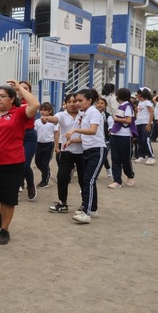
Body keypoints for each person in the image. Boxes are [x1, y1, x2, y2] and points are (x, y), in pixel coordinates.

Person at [0, 81, 39, 245]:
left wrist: (19, 88)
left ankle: (4, 230)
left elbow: (35, 104)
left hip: (13, 163)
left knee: (8, 199)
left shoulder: (19, 113)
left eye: (2, 96)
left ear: (12, 99)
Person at [64, 89, 104, 224]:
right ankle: (92, 208)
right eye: (76, 100)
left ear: (89, 100)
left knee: (88, 180)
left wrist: (75, 130)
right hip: (87, 150)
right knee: (88, 180)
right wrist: (71, 141)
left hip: (97, 150)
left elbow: (92, 131)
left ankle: (86, 213)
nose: (77, 103)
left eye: (80, 100)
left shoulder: (93, 112)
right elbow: (84, 137)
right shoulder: (85, 114)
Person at [48, 94, 84, 213]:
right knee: (62, 177)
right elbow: (55, 119)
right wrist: (47, 118)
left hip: (83, 151)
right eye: (69, 102)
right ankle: (62, 203)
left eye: (75, 101)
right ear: (65, 104)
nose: (72, 104)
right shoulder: (62, 115)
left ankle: (85, 203)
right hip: (66, 150)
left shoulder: (83, 114)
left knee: (83, 179)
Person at [108, 88, 136, 189]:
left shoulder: (127, 106)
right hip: (115, 134)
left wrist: (116, 119)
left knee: (125, 159)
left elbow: (128, 120)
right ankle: (117, 180)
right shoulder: (121, 106)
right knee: (115, 158)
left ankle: (130, 175)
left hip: (124, 135)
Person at [18, 81, 38, 201]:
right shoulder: (11, 103)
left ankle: (30, 185)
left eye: (25, 88)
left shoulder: (31, 103)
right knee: (15, 163)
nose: (22, 90)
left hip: (29, 136)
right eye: (19, 88)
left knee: (25, 164)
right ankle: (18, 182)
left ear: (29, 91)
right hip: (15, 136)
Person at [34, 102, 57, 189]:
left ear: (50, 111)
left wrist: (57, 146)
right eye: (41, 110)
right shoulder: (37, 121)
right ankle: (47, 173)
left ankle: (44, 181)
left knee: (45, 163)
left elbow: (56, 133)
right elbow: (34, 132)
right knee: (38, 162)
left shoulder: (53, 122)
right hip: (39, 144)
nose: (42, 112)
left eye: (45, 110)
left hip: (49, 144)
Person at [134, 88, 155, 166]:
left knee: (146, 140)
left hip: (145, 123)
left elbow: (151, 113)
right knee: (139, 140)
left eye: (138, 93)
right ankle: (141, 155)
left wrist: (149, 124)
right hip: (139, 123)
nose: (137, 95)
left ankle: (151, 156)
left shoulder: (147, 103)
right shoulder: (140, 103)